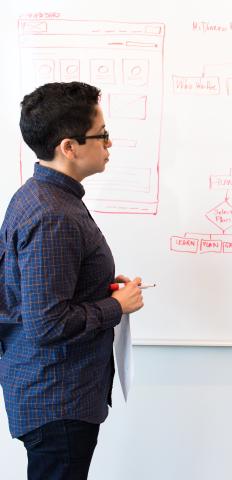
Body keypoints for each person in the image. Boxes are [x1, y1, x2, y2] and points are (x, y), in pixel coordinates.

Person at [0, 81, 144, 480]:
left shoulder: (42, 197)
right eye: (102, 136)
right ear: (69, 146)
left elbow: (36, 291)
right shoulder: (54, 215)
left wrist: (100, 286)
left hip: (50, 391)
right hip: (57, 398)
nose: (109, 145)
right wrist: (117, 306)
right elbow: (48, 322)